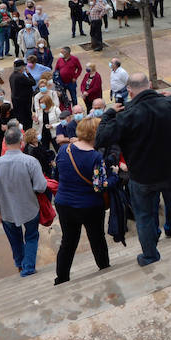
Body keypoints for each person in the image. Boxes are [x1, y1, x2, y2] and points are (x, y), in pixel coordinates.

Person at [96, 73, 171, 265]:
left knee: (145, 216)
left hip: (141, 176)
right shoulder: (170, 103)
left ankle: (150, 255)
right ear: (151, 85)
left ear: (129, 91)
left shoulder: (126, 114)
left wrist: (109, 113)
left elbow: (101, 138)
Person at [53, 117, 111, 284]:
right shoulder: (95, 157)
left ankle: (62, 277)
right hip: (89, 205)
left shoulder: (64, 150)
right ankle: (104, 266)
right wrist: (113, 177)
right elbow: (100, 186)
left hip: (64, 203)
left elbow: (56, 175)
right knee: (97, 238)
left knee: (68, 241)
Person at [0, 127, 48, 276]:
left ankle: (20, 263)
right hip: (30, 208)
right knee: (31, 236)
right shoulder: (30, 162)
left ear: (5, 142)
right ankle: (28, 267)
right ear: (21, 142)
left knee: (15, 239)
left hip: (7, 210)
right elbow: (40, 186)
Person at [9, 60, 36, 131]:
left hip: (16, 100)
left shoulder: (12, 75)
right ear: (21, 67)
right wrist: (29, 73)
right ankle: (28, 132)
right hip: (24, 101)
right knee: (27, 119)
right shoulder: (20, 76)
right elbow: (33, 82)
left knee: (20, 118)